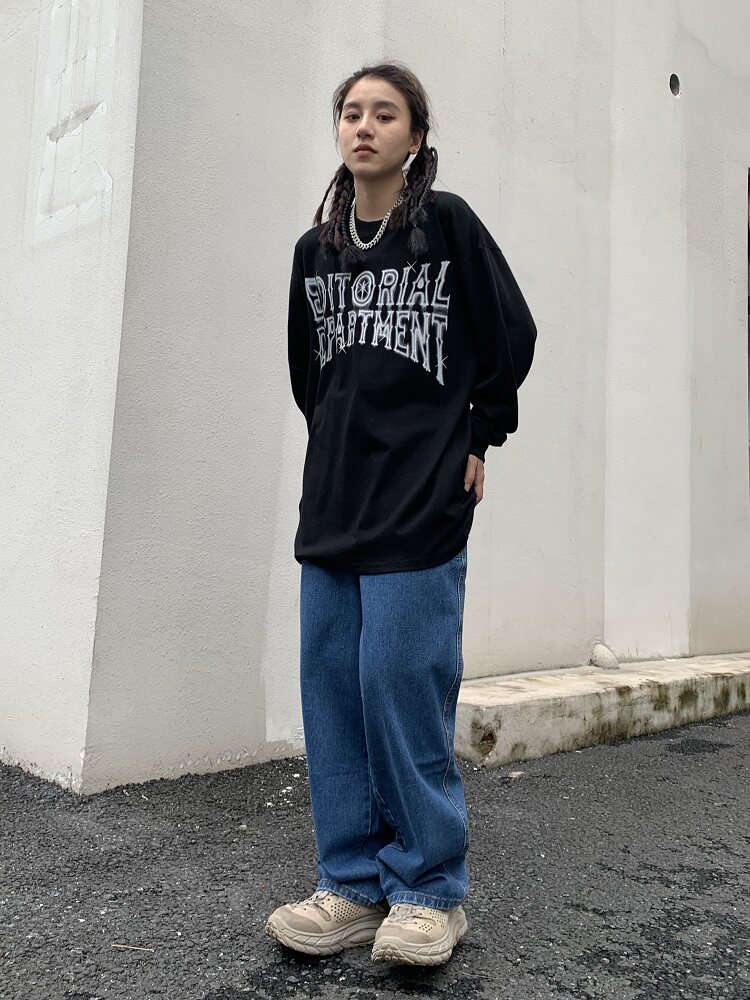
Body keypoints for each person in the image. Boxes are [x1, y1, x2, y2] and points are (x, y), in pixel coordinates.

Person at [265, 61, 537, 967]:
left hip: (421, 499)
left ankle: (428, 891)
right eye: (351, 112)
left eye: (385, 114)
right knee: (334, 694)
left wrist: (479, 433)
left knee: (400, 687)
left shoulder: (446, 226)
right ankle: (349, 884)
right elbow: (310, 377)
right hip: (334, 504)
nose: (365, 126)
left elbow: (511, 335)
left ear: (415, 137)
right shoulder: (313, 253)